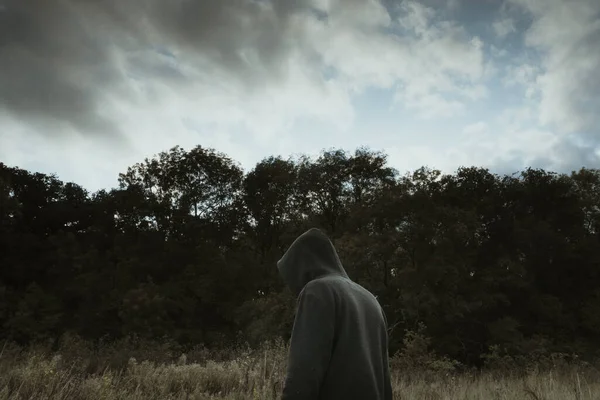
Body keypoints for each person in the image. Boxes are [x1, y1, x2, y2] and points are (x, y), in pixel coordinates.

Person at [277, 227, 393, 400]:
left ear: (301, 268)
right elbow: (385, 383)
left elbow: (302, 376)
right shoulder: (371, 301)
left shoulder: (317, 291)